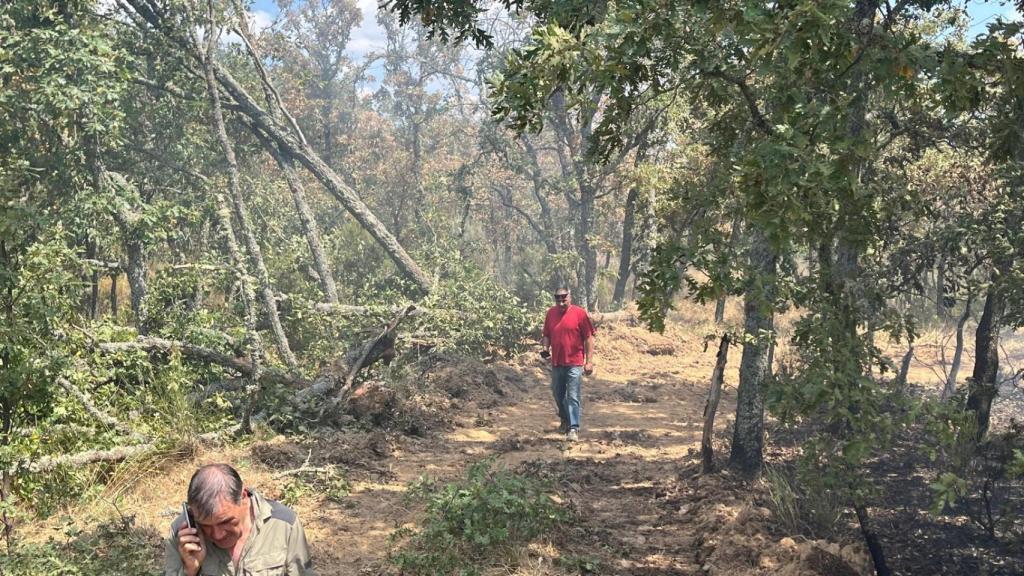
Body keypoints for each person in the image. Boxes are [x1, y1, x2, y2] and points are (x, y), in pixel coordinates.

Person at [165, 463, 316, 576]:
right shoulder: (182, 533)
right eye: (205, 525)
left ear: (243, 497)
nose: (217, 535)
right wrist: (190, 570)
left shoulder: (283, 525)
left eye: (225, 521)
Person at [541, 288, 595, 441]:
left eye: (564, 298)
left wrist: (589, 362)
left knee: (572, 395)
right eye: (558, 299)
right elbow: (546, 334)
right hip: (557, 362)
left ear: (570, 297)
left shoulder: (580, 313)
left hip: (575, 363)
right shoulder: (551, 313)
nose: (561, 301)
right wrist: (545, 348)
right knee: (557, 394)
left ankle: (573, 428)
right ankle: (565, 419)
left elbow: (589, 338)